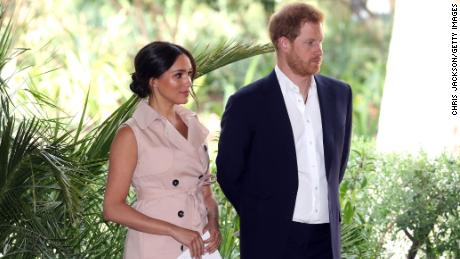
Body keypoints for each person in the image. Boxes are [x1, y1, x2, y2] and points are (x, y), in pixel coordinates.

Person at [216, 3, 352, 259]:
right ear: (284, 43)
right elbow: (229, 171)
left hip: (325, 239)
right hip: (271, 238)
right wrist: (262, 214)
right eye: (310, 43)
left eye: (321, 42)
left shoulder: (340, 94)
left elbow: (338, 165)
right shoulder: (247, 102)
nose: (319, 51)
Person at [103, 41, 221, 259]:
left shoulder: (194, 124)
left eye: (189, 74)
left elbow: (206, 193)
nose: (188, 82)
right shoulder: (132, 133)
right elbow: (112, 208)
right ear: (154, 81)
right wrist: (173, 229)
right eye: (178, 75)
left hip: (198, 246)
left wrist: (214, 224)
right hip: (155, 247)